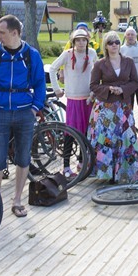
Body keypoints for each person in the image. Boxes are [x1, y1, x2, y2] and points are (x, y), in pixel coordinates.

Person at [0, 14, 46, 218]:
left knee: (23, 157)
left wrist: (35, 108)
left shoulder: (31, 55)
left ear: (15, 33)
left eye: (1, 32)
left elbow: (40, 83)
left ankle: (17, 200)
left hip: (25, 112)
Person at [89, 31, 138, 183]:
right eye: (110, 42)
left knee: (126, 139)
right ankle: (105, 174)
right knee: (106, 140)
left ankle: (126, 172)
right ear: (105, 46)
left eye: (117, 42)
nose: (114, 45)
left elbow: (135, 82)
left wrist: (123, 90)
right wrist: (108, 89)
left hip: (124, 107)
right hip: (105, 108)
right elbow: (93, 85)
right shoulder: (100, 64)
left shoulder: (129, 61)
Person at [49, 28, 98, 179]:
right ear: (73, 41)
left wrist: (95, 89)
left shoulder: (92, 54)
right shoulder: (68, 54)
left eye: (84, 39)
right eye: (78, 40)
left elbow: (96, 72)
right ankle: (65, 166)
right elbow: (52, 68)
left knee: (87, 132)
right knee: (70, 133)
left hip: (88, 98)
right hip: (73, 99)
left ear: (87, 41)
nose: (81, 42)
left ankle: (82, 163)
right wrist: (57, 88)